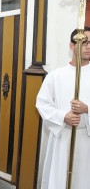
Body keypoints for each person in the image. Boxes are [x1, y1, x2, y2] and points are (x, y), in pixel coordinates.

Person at [36, 27, 90, 189]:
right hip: (63, 137)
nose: (89, 46)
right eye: (85, 42)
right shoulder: (55, 76)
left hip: (87, 139)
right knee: (60, 180)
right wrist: (62, 117)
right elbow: (42, 103)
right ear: (72, 46)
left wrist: (87, 108)